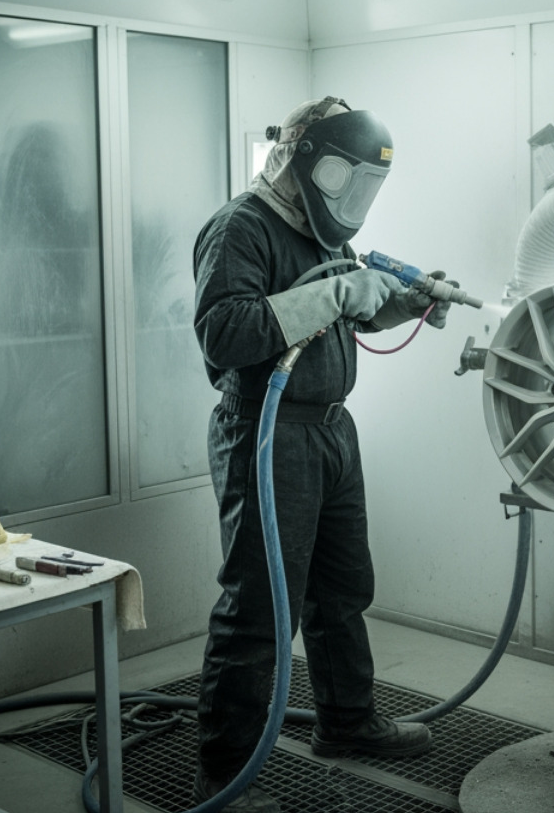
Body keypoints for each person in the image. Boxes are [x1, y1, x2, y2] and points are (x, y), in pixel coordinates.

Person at [190, 96, 450, 810]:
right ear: (305, 157)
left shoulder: (321, 231)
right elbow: (225, 332)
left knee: (341, 589)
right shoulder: (242, 226)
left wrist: (405, 302)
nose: (351, 197)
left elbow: (342, 315)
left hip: (330, 428)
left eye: (365, 184)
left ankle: (346, 722)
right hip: (268, 432)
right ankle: (225, 776)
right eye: (344, 177)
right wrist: (340, 292)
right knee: (260, 606)